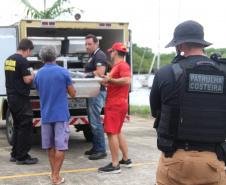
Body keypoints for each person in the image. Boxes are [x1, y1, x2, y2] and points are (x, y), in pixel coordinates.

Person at [150, 20, 226, 185]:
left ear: (180, 45)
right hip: (214, 160)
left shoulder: (165, 73)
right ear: (202, 43)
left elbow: (155, 111)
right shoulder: (223, 72)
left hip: (174, 159)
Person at [34, 46, 76, 184]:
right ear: (56, 56)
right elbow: (73, 93)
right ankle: (56, 176)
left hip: (46, 114)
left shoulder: (38, 74)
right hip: (61, 114)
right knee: (61, 146)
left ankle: (53, 173)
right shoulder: (64, 72)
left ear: (42, 58)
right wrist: (69, 83)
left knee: (50, 145)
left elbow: (40, 92)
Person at [98, 42, 132, 173]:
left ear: (115, 53)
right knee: (117, 132)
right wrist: (107, 81)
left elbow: (127, 80)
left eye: (111, 51)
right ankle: (126, 159)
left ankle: (114, 164)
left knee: (111, 132)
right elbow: (118, 83)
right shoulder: (117, 67)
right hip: (119, 103)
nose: (110, 53)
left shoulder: (122, 65)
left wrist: (110, 80)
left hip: (115, 104)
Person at [5, 38, 38, 165]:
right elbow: (26, 80)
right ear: (28, 49)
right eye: (30, 52)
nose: (29, 54)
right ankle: (22, 156)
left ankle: (15, 154)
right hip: (20, 97)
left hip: (11, 97)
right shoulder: (22, 61)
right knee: (25, 126)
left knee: (18, 126)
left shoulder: (9, 59)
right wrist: (33, 74)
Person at [84, 34, 108, 160]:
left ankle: (101, 150)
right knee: (92, 121)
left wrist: (86, 75)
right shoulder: (93, 56)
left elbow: (100, 73)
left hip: (97, 92)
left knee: (95, 121)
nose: (87, 46)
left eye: (89, 44)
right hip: (91, 92)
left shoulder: (100, 55)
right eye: (86, 44)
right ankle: (96, 146)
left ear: (96, 44)